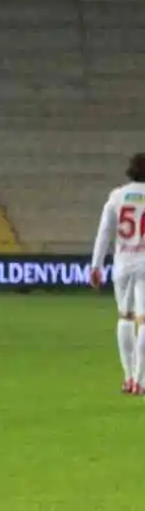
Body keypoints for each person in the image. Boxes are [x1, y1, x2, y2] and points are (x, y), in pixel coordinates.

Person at [88, 154, 145, 395]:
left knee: (125, 317)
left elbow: (104, 233)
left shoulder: (117, 196)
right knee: (144, 321)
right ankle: (141, 381)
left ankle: (128, 377)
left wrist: (96, 265)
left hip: (123, 264)